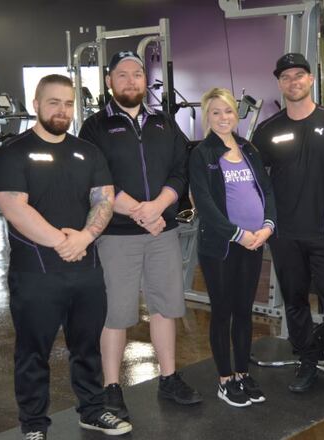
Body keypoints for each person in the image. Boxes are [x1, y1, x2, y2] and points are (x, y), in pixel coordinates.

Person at [0, 74, 132, 439]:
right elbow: (14, 207)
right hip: (37, 272)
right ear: (35, 104)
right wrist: (62, 241)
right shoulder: (13, 152)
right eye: (53, 102)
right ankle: (34, 424)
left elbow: (104, 198)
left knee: (87, 347)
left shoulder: (87, 151)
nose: (62, 110)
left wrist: (84, 236)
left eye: (68, 103)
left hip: (86, 267)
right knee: (33, 352)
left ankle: (92, 410)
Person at [78, 51, 201, 421]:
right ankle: (112, 387)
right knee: (116, 313)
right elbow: (95, 180)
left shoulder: (164, 123)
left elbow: (181, 171)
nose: (131, 81)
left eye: (137, 75)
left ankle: (168, 377)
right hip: (116, 234)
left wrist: (159, 206)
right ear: (109, 81)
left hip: (162, 230)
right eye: (122, 75)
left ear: (145, 81)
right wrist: (138, 211)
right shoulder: (95, 127)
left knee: (166, 307)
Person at [252, 53, 324, 408]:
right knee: (296, 302)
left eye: (299, 75)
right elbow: (257, 184)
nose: (293, 82)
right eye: (286, 77)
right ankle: (307, 362)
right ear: (279, 83)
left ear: (311, 79)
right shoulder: (268, 131)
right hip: (285, 236)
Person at [189, 88, 276, 407]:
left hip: (254, 243)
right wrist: (238, 234)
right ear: (207, 117)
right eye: (215, 112)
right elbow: (206, 204)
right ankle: (225, 379)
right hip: (222, 246)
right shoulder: (202, 154)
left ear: (235, 114)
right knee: (223, 311)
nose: (223, 117)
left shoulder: (248, 148)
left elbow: (267, 190)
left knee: (243, 311)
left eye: (227, 111)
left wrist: (267, 227)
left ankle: (242, 372)